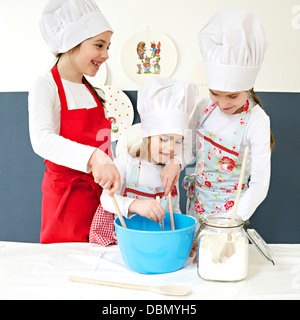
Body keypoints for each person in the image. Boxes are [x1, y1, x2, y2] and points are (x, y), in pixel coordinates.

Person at [28, 0, 121, 244]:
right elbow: (41, 140)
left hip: (100, 200)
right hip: (64, 202)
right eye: (99, 45)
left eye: (108, 46)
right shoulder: (45, 86)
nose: (106, 54)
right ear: (71, 43)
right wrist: (93, 158)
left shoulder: (94, 91)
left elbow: (104, 145)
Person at [184, 8, 274, 228]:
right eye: (215, 93)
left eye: (233, 96)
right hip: (197, 204)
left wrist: (232, 221)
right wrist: (174, 163)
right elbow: (187, 150)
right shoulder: (204, 108)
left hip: (232, 210)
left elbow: (260, 184)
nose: (223, 104)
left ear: (248, 88)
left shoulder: (257, 120)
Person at [89, 76, 199, 245]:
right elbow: (106, 200)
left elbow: (174, 210)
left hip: (160, 243)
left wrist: (182, 238)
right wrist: (136, 205)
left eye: (178, 141)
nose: (171, 148)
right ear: (146, 136)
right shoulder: (126, 162)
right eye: (163, 139)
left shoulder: (170, 170)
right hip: (127, 242)